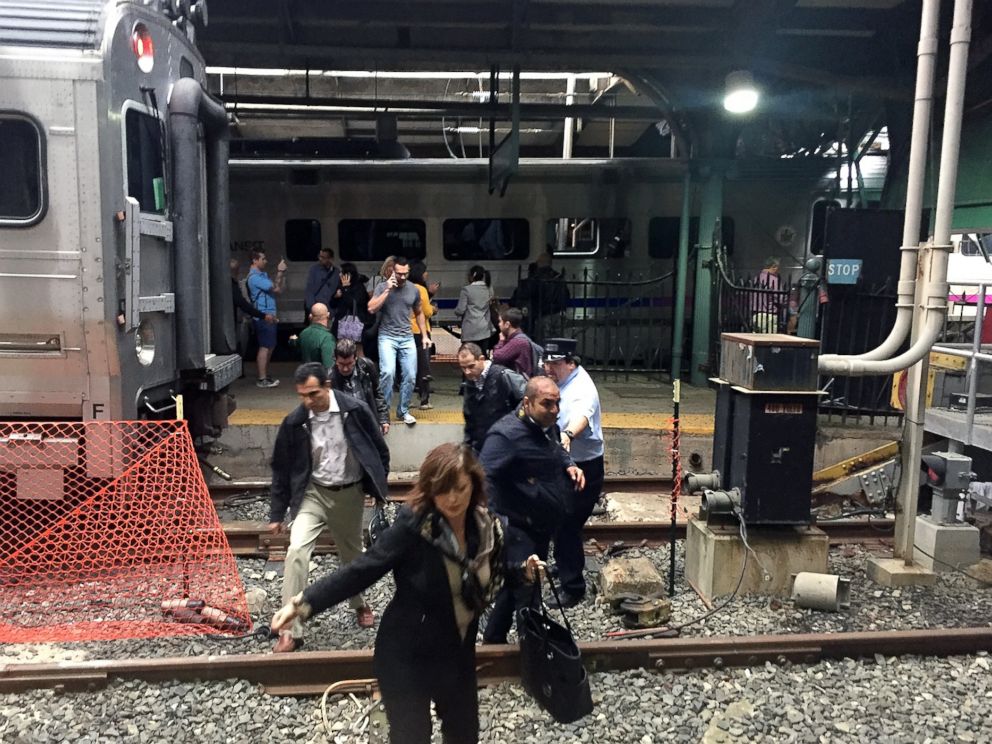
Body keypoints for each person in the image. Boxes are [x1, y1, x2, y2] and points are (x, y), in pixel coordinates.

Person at [271, 443, 544, 744]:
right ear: (429, 489)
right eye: (442, 490)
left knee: (464, 733)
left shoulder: (486, 528)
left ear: (474, 486)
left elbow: (490, 573)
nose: (452, 498)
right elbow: (363, 569)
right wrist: (304, 602)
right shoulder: (415, 525)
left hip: (456, 652)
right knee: (412, 736)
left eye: (461, 488)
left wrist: (522, 571)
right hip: (406, 654)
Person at [268, 362, 390, 651]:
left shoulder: (356, 410)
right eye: (302, 395)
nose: (308, 401)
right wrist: (276, 513)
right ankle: (291, 630)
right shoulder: (295, 421)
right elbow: (281, 469)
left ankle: (359, 604)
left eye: (313, 394)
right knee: (296, 550)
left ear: (328, 385)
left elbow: (379, 452)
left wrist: (376, 487)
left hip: (349, 494)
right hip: (313, 494)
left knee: (352, 556)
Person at [480, 376, 585, 645]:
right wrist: (496, 521)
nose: (555, 410)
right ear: (527, 403)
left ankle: (493, 641)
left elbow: (555, 449)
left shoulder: (545, 424)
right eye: (547, 404)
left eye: (557, 403)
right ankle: (534, 651)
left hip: (540, 523)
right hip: (517, 526)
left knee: (513, 585)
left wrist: (569, 463)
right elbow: (484, 478)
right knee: (529, 589)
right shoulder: (505, 435)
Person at [542, 338, 605, 609]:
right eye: (546, 363)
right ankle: (565, 563)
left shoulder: (581, 389)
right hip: (567, 464)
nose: (548, 369)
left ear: (570, 362)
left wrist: (567, 435)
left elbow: (581, 415)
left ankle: (573, 587)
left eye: (555, 364)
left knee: (567, 525)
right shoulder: (563, 380)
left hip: (583, 467)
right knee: (561, 522)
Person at [368, 256, 430, 426]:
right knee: (388, 372)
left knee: (410, 375)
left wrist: (424, 335)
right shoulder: (382, 287)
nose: (402, 277)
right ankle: (384, 412)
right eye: (399, 273)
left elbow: (419, 312)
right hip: (387, 336)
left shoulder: (414, 289)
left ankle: (403, 411)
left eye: (405, 273)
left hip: (407, 337)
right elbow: (371, 308)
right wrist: (387, 290)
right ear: (392, 271)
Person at [457, 342, 526, 454]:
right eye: (463, 368)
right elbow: (469, 419)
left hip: (506, 442)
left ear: (481, 359)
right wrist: (467, 447)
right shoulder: (470, 383)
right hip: (481, 445)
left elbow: (527, 400)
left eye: (471, 366)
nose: (467, 372)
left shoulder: (504, 375)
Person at [331, 338, 390, 435]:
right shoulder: (330, 377)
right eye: (341, 364)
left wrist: (383, 418)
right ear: (335, 360)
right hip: (346, 426)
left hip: (368, 419)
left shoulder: (367, 366)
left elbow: (377, 392)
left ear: (355, 358)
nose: (345, 369)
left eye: (349, 364)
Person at [246, 250, 287, 388]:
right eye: (263, 259)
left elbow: (277, 289)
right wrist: (280, 272)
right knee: (265, 346)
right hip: (263, 315)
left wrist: (281, 275)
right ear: (255, 260)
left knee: (270, 345)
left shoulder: (261, 275)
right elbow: (273, 287)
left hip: (268, 314)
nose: (265, 261)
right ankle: (262, 378)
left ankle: (264, 374)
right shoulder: (255, 277)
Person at [229, 258, 274, 358]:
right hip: (234, 321)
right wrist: (263, 315)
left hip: (233, 320)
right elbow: (242, 304)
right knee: (238, 347)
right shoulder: (232, 285)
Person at [409, 261, 436, 410]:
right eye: (425, 271)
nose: (426, 274)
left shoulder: (404, 288)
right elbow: (426, 311)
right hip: (421, 332)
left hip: (406, 332)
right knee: (423, 366)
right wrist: (433, 309)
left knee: (408, 366)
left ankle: (407, 399)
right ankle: (424, 400)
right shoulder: (421, 289)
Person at [454, 264, 496, 355]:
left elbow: (460, 310)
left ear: (473, 276)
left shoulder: (466, 290)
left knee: (469, 355)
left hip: (470, 330)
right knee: (482, 355)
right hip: (485, 329)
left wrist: (456, 312)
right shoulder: (489, 288)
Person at [333, 262, 372, 357]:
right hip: (341, 321)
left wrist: (346, 290)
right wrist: (335, 296)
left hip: (356, 322)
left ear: (348, 274)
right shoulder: (340, 285)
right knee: (341, 349)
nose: (339, 275)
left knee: (358, 348)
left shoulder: (359, 287)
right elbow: (333, 304)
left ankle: (361, 369)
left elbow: (352, 303)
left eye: (341, 272)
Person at [491, 307, 533, 377]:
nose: (499, 324)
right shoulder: (517, 338)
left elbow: (497, 357)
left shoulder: (518, 342)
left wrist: (501, 341)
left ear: (507, 324)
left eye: (500, 321)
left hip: (519, 383)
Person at [304, 247, 341, 317]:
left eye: (323, 257)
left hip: (330, 310)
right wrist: (311, 307)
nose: (320, 259)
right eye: (320, 257)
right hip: (317, 309)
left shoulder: (336, 272)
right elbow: (310, 290)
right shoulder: (314, 270)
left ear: (330, 259)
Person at [297, 302, 335, 367]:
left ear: (310, 316)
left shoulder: (303, 334)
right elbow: (329, 365)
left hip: (305, 374)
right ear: (328, 315)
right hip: (319, 375)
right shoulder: (327, 337)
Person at [753, 256, 781, 333]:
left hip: (756, 313)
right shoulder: (774, 280)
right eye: (777, 267)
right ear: (774, 267)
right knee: (769, 341)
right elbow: (779, 298)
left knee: (757, 340)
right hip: (770, 314)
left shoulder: (757, 278)